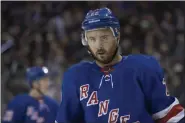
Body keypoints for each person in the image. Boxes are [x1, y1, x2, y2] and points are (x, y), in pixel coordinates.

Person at [55, 8, 185, 123]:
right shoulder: (75, 77)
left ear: (117, 35)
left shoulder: (143, 68)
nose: (99, 45)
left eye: (104, 37)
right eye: (92, 39)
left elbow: (170, 116)